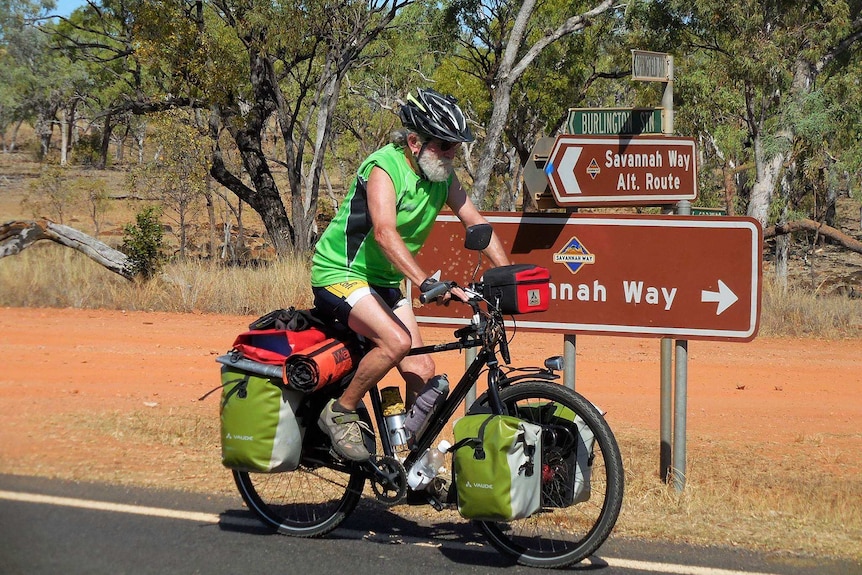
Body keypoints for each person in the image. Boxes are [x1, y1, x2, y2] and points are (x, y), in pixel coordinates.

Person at [310, 88, 511, 461]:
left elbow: (477, 223)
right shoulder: (385, 168)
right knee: (397, 343)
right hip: (340, 273)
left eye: (455, 147)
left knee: (421, 369)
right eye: (444, 146)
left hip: (383, 282)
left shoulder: (442, 178)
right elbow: (385, 232)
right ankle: (340, 411)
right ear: (415, 142)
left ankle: (412, 464)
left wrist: (507, 277)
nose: (451, 154)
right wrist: (425, 282)